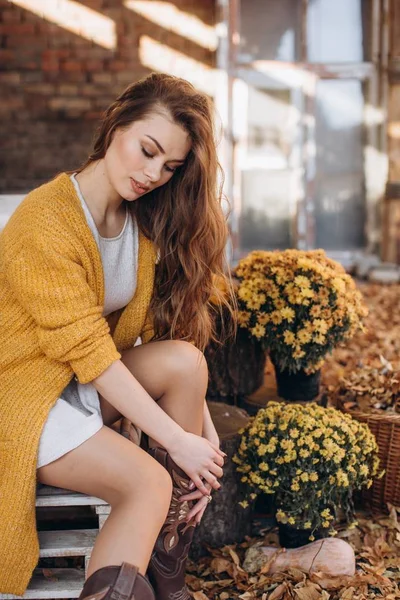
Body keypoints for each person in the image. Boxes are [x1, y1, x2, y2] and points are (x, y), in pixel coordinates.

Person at [0, 73, 236, 600]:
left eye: (170, 167)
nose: (154, 174)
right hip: (21, 400)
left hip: (77, 387)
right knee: (146, 482)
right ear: (115, 127)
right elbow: (93, 353)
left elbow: (137, 340)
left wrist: (204, 444)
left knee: (186, 361)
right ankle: (147, 554)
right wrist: (178, 442)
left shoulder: (136, 220)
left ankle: (166, 550)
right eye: (147, 151)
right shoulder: (45, 222)